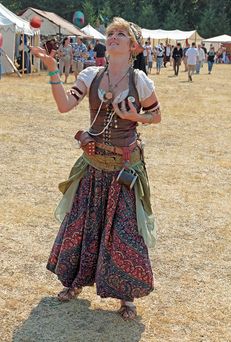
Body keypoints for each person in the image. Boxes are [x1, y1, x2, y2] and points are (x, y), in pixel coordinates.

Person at [31, 17, 161, 321]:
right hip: (93, 164)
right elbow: (65, 105)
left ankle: (126, 296)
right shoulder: (90, 75)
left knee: (124, 232)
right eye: (111, 33)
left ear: (133, 46)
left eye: (121, 34)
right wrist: (53, 71)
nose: (114, 37)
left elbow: (156, 116)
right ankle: (75, 282)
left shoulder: (140, 81)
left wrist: (134, 116)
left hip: (124, 169)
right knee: (83, 224)